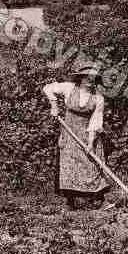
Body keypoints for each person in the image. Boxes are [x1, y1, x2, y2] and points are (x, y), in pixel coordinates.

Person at [43, 66, 110, 209]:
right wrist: (54, 106)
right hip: (69, 134)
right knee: (69, 167)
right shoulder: (69, 88)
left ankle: (100, 201)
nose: (91, 81)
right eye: (88, 78)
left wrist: (91, 143)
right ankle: (70, 203)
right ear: (81, 78)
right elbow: (48, 88)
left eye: (94, 79)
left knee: (92, 167)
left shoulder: (98, 98)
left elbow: (95, 122)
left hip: (88, 135)